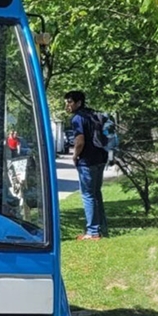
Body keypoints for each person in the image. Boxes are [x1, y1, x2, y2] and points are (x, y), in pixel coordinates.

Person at [65, 90, 109, 239]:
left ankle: (92, 232)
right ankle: (101, 228)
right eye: (66, 102)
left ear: (78, 103)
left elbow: (80, 141)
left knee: (88, 195)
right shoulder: (92, 114)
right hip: (100, 158)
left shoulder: (77, 118)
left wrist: (75, 156)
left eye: (70, 102)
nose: (67, 105)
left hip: (87, 161)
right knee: (96, 193)